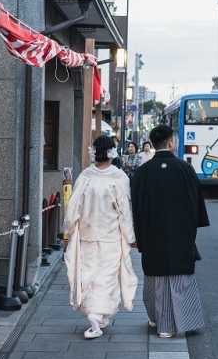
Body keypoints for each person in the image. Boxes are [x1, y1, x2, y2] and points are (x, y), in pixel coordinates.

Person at [130, 125, 209, 338]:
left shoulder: (142, 172)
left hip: (151, 233)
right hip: (180, 233)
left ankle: (158, 319)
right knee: (179, 278)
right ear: (171, 143)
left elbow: (135, 207)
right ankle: (172, 325)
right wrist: (190, 228)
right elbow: (196, 204)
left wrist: (136, 234)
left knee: (155, 279)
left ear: (153, 145)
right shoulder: (185, 168)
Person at [63, 135, 138, 339]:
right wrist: (131, 237)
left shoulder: (85, 176)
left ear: (94, 153)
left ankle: (98, 315)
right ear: (112, 154)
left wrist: (67, 231)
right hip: (110, 236)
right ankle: (96, 317)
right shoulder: (119, 178)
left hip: (87, 235)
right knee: (106, 278)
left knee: (88, 274)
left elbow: (73, 209)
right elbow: (125, 212)